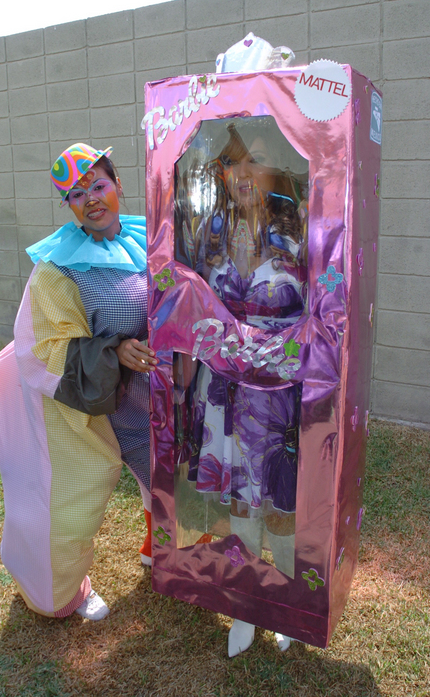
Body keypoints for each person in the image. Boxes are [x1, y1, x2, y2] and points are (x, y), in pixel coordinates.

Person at [0, 143, 156, 620]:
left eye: (98, 185)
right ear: (69, 205)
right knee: (68, 506)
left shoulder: (152, 240)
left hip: (153, 398)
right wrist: (115, 351)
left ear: (118, 183)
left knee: (165, 481)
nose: (92, 200)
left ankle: (160, 550)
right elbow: (45, 346)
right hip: (91, 407)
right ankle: (62, 593)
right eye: (77, 194)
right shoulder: (56, 267)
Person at [175, 118, 307, 655]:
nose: (243, 172)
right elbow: (186, 303)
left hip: (277, 394)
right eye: (232, 162)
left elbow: (328, 315)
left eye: (256, 159)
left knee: (279, 499)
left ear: (277, 167)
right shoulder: (209, 231)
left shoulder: (301, 228)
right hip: (223, 390)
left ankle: (291, 603)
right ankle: (247, 604)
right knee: (239, 499)